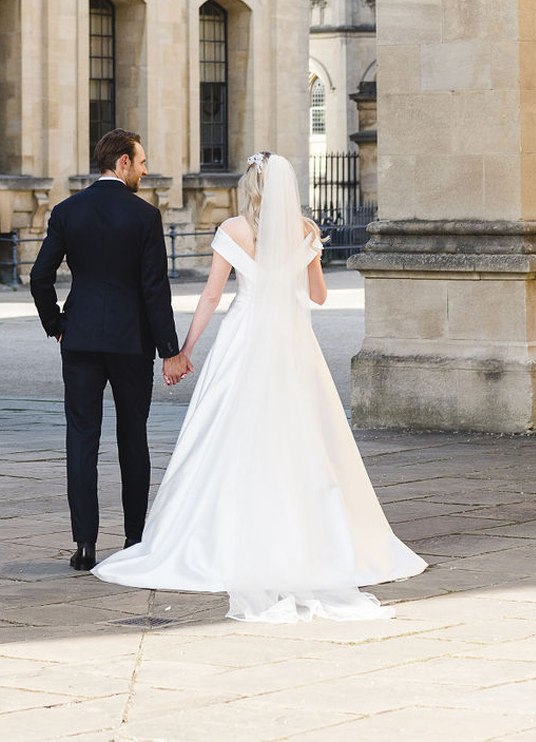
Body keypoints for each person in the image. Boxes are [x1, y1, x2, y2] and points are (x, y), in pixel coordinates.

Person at [94, 151, 427, 621]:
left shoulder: (232, 231)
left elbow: (212, 294)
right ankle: (316, 537)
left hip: (244, 338)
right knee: (303, 436)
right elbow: (318, 296)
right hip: (293, 342)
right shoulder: (306, 231)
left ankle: (216, 538)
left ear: (249, 186)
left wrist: (183, 349)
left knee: (229, 433)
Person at [30, 130, 193, 571]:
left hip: (80, 339)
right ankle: (135, 539)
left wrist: (58, 325)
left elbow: (39, 276)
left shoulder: (67, 211)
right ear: (122, 162)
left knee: (81, 440)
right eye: (141, 162)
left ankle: (84, 546)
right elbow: (154, 289)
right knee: (132, 437)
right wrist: (169, 350)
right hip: (130, 341)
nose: (145, 170)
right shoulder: (144, 215)